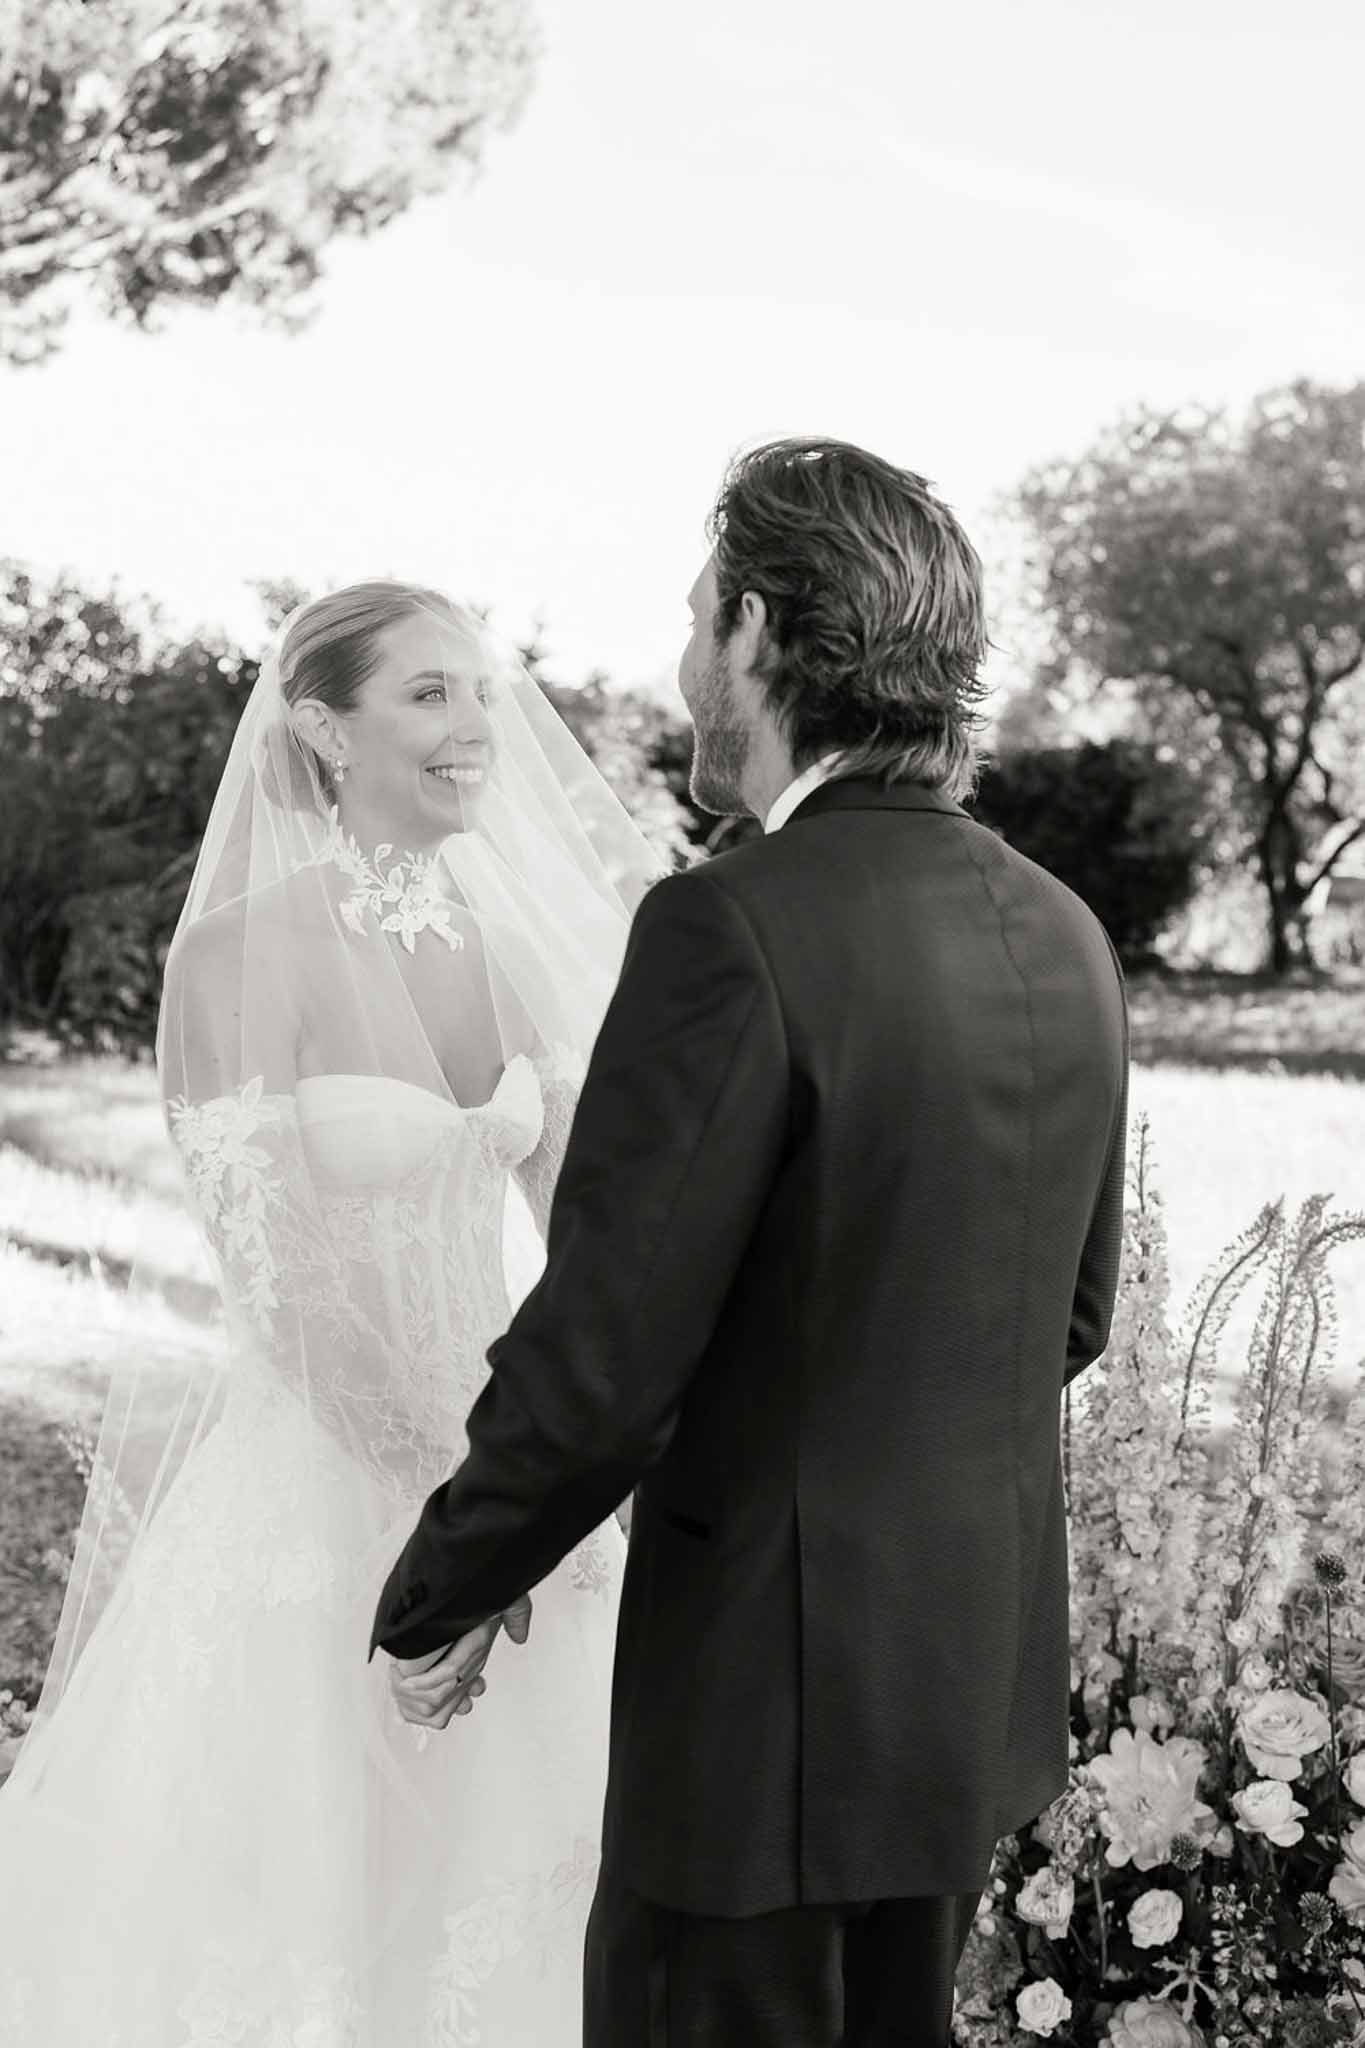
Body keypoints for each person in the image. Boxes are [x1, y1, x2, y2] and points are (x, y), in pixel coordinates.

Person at [372, 439, 1131, 2048]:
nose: (678, 659)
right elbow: (1067, 1315)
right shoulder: (1063, 929)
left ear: (760, 631)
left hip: (755, 1729)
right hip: (954, 1701)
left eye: (693, 614)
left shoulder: (730, 924)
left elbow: (605, 1352)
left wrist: (450, 1580)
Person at [0, 581, 665, 2044]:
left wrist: (550, 1478)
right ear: (319, 728)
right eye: (428, 694)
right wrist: (449, 1518)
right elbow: (279, 1291)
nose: (477, 726)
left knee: (546, 1877)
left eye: (480, 691)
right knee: (305, 1897)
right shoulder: (241, 951)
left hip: (506, 1460)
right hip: (323, 1466)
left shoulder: (503, 947)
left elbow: (594, 1239)